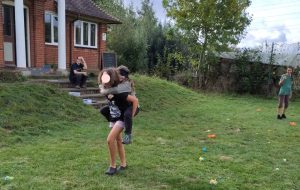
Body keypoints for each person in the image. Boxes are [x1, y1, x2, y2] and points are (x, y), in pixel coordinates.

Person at [98, 68, 139, 175]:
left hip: (122, 116)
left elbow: (135, 100)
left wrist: (132, 116)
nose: (104, 81)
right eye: (103, 78)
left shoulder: (119, 91)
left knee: (110, 140)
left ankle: (112, 166)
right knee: (118, 140)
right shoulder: (106, 88)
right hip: (114, 115)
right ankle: (123, 164)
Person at [99, 65, 139, 144]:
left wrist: (132, 115)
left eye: (123, 75)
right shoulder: (116, 82)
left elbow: (135, 100)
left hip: (131, 105)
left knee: (127, 115)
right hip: (122, 105)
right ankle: (114, 121)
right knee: (104, 110)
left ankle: (128, 135)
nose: (121, 77)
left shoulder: (124, 85)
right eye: (119, 74)